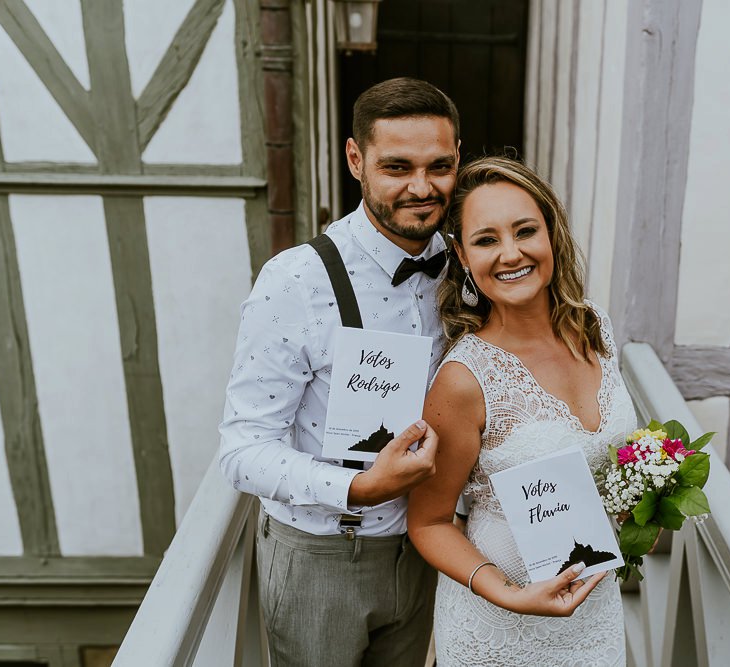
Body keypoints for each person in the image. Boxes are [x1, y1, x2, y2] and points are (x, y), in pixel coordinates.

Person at [219, 77, 460, 667]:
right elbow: (242, 448)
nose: (421, 188)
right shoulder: (294, 281)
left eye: (440, 167)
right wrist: (357, 488)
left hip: (426, 550)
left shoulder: (467, 265)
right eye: (397, 167)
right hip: (320, 555)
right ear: (356, 160)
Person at [407, 156, 635, 666]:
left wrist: (645, 506)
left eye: (525, 231)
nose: (511, 253)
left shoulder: (596, 328)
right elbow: (429, 522)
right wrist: (508, 593)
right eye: (487, 240)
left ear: (551, 235)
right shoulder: (464, 379)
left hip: (595, 615)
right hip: (499, 628)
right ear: (463, 257)